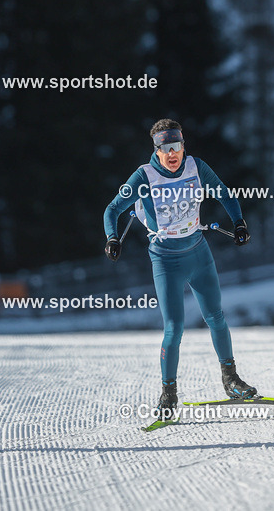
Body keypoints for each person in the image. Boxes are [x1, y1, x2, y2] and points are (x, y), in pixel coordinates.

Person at [103, 118, 255, 420]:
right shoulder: (143, 177)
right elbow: (112, 210)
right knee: (174, 328)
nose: (173, 154)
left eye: (178, 146)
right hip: (166, 260)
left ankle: (230, 380)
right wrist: (112, 238)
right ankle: (168, 393)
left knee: (217, 317)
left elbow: (225, 193)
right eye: (166, 148)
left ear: (183, 146)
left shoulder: (196, 167)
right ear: (157, 150)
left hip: (198, 253)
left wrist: (239, 222)